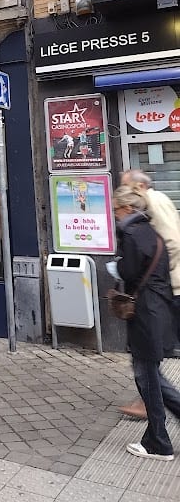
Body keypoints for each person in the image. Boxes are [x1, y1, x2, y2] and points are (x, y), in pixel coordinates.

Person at [112, 184, 180, 460]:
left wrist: (116, 265)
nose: (115, 215)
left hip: (143, 315)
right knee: (150, 374)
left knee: (147, 379)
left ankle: (157, 442)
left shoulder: (130, 233)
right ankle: (157, 438)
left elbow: (127, 270)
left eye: (116, 209)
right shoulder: (154, 234)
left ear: (127, 208)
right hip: (158, 311)